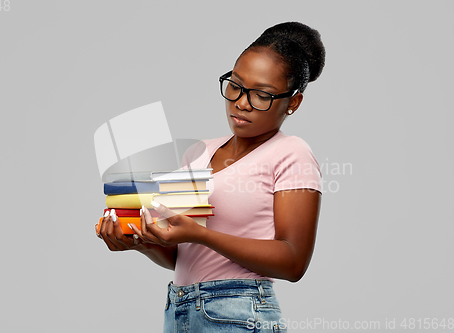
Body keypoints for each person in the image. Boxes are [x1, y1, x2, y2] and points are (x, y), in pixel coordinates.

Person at [97, 21, 325, 333]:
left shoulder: (291, 153)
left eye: (261, 95)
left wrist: (202, 234)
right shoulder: (199, 152)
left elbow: (293, 261)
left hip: (239, 312)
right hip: (180, 309)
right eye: (235, 85)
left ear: (293, 102)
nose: (241, 102)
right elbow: (183, 254)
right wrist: (138, 240)